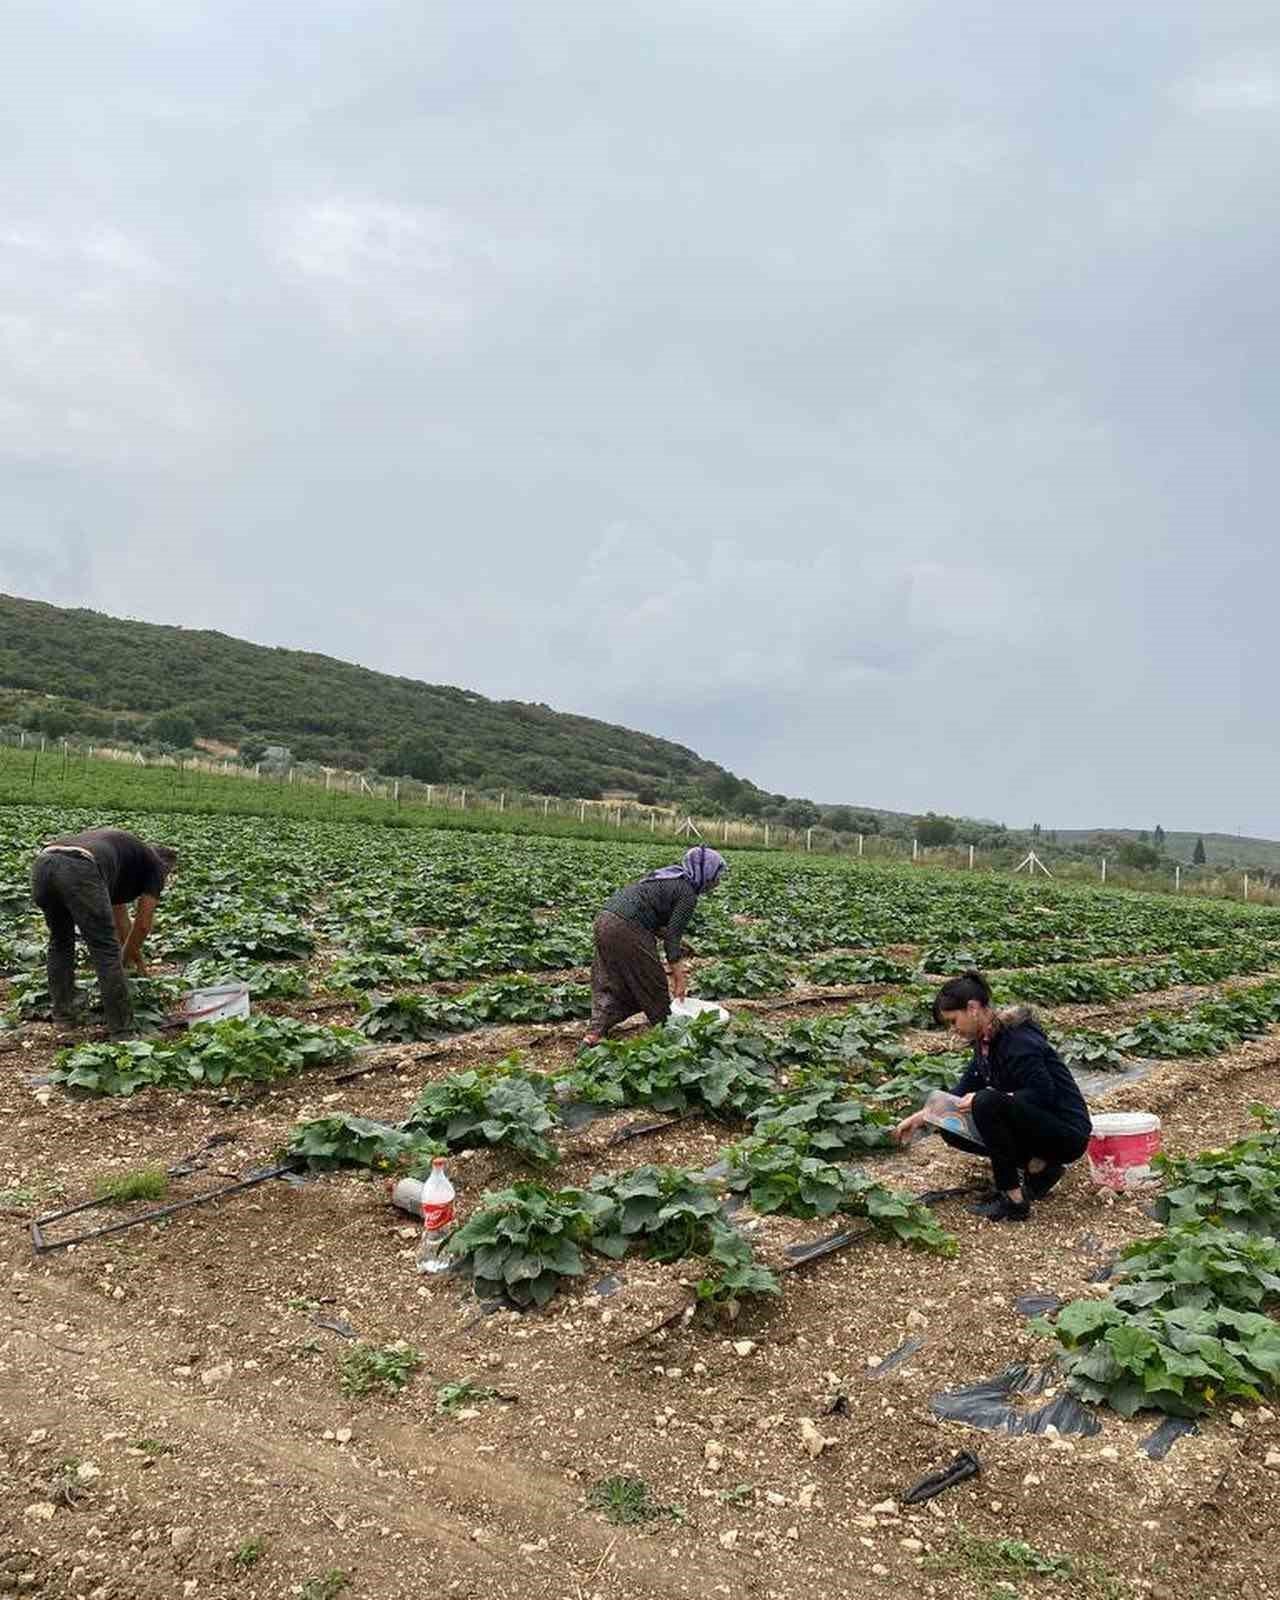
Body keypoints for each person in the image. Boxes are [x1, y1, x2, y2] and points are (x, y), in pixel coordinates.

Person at [894, 971, 1091, 1223]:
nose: (953, 1030)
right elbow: (962, 1089)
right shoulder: (986, 1044)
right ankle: (1039, 1168)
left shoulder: (1020, 1040)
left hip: (1066, 1132)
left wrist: (991, 1097)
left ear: (973, 1008)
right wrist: (923, 1116)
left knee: (985, 1101)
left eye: (953, 1021)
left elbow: (1043, 1094)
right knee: (951, 1126)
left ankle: (1013, 1200)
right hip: (1039, 1126)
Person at [30, 827, 178, 1037]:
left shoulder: (124, 858)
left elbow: (122, 923)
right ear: (166, 868)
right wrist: (122, 962)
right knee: (105, 950)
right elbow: (143, 924)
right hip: (80, 867)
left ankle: (63, 1018)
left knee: (60, 942)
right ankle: (122, 1031)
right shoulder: (155, 867)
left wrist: (138, 963)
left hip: (43, 865)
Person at [581, 844, 727, 1047]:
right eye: (715, 877)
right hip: (626, 927)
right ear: (705, 873)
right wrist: (679, 979)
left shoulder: (670, 878)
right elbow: (672, 939)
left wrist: (679, 943)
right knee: (654, 984)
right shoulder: (687, 893)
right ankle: (674, 1038)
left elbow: (653, 917)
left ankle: (594, 1033)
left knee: (611, 980)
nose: (716, 883)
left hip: (605, 920)